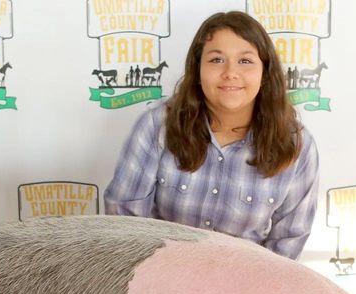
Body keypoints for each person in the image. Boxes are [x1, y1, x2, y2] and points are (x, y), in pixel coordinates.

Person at [104, 11, 319, 260]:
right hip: (163, 273)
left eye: (245, 61)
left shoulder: (297, 145)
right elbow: (125, 220)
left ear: (265, 73)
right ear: (197, 69)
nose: (230, 72)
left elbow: (288, 242)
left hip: (246, 278)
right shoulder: (157, 126)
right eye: (217, 60)